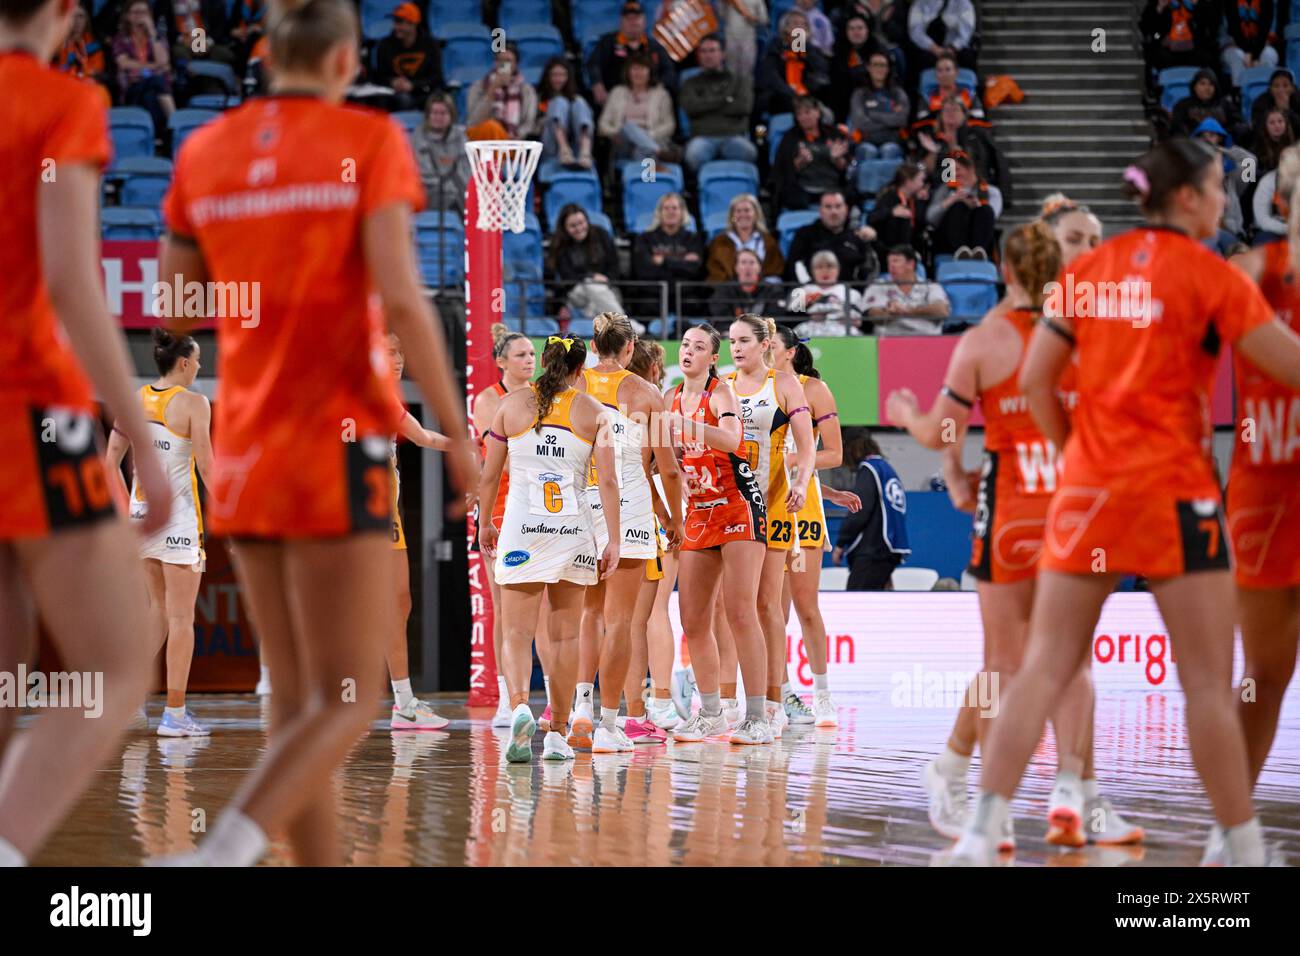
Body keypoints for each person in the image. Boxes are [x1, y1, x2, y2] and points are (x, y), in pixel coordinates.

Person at [156, 0, 476, 866]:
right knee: (345, 700)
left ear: (262, 52)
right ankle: (224, 850)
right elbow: (407, 299)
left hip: (249, 443)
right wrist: (461, 431)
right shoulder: (367, 142)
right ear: (344, 61)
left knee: (293, 694)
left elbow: (176, 304)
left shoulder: (205, 150)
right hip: (333, 449)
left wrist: (258, 287)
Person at [949, 138, 1300, 866]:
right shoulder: (1213, 275)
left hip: (1086, 496)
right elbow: (1288, 367)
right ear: (1190, 198)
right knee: (1205, 681)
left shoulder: (1088, 272)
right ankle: (1241, 850)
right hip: (1177, 495)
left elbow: (1039, 381)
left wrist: (1078, 453)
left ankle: (980, 836)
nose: (1226, 203)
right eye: (1217, 188)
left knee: (1042, 667)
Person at [886, 220, 1140, 853]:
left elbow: (939, 432)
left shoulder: (984, 340)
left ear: (1003, 271)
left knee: (1007, 660)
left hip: (1010, 510)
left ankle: (1023, 790)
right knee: (1067, 659)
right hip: (1072, 506)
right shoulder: (1086, 335)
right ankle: (1058, 787)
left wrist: (909, 418)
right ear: (1063, 262)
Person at [0, 0, 172, 868]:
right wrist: (139, 435)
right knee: (113, 664)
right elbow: (71, 279)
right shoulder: (59, 100)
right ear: (66, 13)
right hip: (29, 402)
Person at [479, 335, 620, 763]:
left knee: (517, 632)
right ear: (582, 369)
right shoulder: (594, 412)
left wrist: (485, 522)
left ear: (543, 361)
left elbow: (489, 476)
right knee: (564, 636)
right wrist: (612, 538)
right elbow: (609, 483)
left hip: (522, 529)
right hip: (571, 532)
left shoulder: (510, 405)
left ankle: (519, 704)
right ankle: (558, 730)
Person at [1226, 143, 1300, 848]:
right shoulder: (1251, 276)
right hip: (1268, 498)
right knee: (1266, 678)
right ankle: (1234, 825)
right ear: (1283, 203)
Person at [571, 314, 684, 749]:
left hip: (583, 504)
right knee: (621, 620)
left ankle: (580, 708)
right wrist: (673, 518)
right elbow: (669, 468)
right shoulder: (647, 393)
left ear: (595, 346)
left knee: (589, 614)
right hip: (630, 507)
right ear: (630, 348)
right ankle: (610, 724)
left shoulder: (574, 387)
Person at [667, 324, 772, 745]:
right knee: (692, 619)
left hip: (738, 506)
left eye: (699, 347)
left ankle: (758, 716)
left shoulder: (721, 393)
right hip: (698, 512)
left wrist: (686, 428)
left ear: (713, 358)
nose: (688, 352)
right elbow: (666, 458)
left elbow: (731, 440)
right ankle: (710, 713)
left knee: (741, 612)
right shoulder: (670, 397)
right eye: (685, 345)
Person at [104, 328, 212, 737]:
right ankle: (176, 714)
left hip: (141, 519)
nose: (200, 366)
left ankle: (131, 703)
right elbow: (207, 467)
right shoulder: (195, 404)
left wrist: (127, 511)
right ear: (183, 363)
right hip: (181, 521)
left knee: (158, 612)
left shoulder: (134, 400)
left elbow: (108, 462)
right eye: (198, 359)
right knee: (182, 618)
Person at [726, 314, 816, 739]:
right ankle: (732, 703)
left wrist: (801, 482)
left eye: (744, 341)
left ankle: (773, 703)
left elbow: (807, 443)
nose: (737, 348)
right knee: (733, 609)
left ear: (765, 344)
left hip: (773, 505)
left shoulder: (783, 383)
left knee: (767, 605)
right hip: (729, 509)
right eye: (731, 341)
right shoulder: (722, 385)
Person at [770, 327, 861, 728]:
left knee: (806, 606)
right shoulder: (749, 388)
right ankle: (782, 694)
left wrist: (792, 467)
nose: (757, 349)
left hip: (801, 507)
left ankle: (822, 695)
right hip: (765, 504)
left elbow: (833, 453)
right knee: (771, 610)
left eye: (768, 344)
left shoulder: (814, 389)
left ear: (789, 352)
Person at [382, 332, 456, 732]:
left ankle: (404, 703)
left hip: (387, 514)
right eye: (389, 351)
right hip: (359, 513)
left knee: (400, 602)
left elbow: (423, 437)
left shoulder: (388, 397)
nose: (398, 359)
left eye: (401, 351)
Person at [471, 326, 540, 731]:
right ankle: (503, 697)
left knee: (547, 610)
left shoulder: (541, 397)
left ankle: (548, 696)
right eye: (520, 355)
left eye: (532, 354)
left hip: (542, 510)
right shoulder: (488, 400)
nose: (529, 361)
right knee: (504, 607)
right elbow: (498, 457)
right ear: (501, 362)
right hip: (501, 509)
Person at [624, 339, 685, 730]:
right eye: (659, 370)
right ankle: (660, 699)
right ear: (652, 372)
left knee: (624, 618)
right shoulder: (654, 403)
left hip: (616, 511)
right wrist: (671, 516)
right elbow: (663, 470)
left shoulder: (609, 402)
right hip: (654, 506)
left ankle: (624, 707)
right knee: (656, 612)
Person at [833, 432, 909, 589]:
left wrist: (841, 543)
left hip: (873, 550)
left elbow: (859, 509)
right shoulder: (887, 469)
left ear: (852, 449)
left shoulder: (869, 469)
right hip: (891, 547)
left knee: (856, 603)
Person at [680, 34, 757, 175]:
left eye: (712, 50)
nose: (708, 55)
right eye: (703, 51)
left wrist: (705, 104)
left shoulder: (740, 80)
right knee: (693, 155)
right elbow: (691, 108)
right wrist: (726, 99)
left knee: (748, 152)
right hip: (702, 137)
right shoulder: (690, 83)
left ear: (723, 54)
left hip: (733, 136)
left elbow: (743, 107)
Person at [772, 94, 853, 213]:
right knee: (792, 198)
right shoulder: (790, 138)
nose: (803, 117)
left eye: (807, 112)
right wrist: (800, 162)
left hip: (832, 187)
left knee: (850, 196)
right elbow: (784, 169)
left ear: (818, 113)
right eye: (799, 114)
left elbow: (845, 168)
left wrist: (836, 159)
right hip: (803, 188)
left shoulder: (834, 134)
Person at [586, 1, 675, 107]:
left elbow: (669, 71)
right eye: (628, 18)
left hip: (648, 101)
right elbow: (593, 64)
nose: (633, 22)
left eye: (637, 18)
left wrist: (657, 89)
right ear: (621, 22)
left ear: (644, 21)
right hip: (614, 100)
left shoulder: (654, 46)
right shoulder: (608, 42)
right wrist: (597, 84)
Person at [631, 191, 705, 318]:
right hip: (653, 296)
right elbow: (644, 271)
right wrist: (682, 263)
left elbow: (696, 270)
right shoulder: (645, 238)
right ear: (659, 213)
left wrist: (664, 262)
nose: (671, 212)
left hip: (686, 297)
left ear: (682, 213)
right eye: (666, 208)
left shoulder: (693, 238)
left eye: (675, 208)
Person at [547, 204, 624, 323]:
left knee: (596, 302)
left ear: (587, 221)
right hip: (576, 293)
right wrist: (591, 277)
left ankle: (604, 323)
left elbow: (614, 264)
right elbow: (567, 278)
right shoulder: (560, 245)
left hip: (605, 289)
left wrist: (607, 280)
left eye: (582, 223)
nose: (579, 228)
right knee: (592, 285)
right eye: (573, 226)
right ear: (564, 228)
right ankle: (626, 327)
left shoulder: (601, 234)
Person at [596, 52, 675, 163]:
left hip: (651, 136)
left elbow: (669, 125)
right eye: (634, 69)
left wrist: (647, 135)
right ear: (628, 72)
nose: (638, 73)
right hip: (623, 141)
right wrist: (614, 132)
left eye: (642, 69)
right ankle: (658, 152)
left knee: (642, 150)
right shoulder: (617, 92)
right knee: (629, 125)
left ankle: (648, 179)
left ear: (650, 72)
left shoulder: (661, 94)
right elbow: (602, 124)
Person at [785, 189, 878, 283]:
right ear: (820, 211)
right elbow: (794, 266)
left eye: (838, 207)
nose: (834, 212)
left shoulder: (858, 237)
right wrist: (808, 289)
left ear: (846, 209)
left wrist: (874, 240)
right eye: (828, 207)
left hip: (850, 294)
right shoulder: (804, 235)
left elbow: (870, 271)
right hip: (812, 292)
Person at [113, 0, 175, 137]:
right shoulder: (121, 39)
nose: (140, 16)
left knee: (151, 95)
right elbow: (124, 63)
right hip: (132, 86)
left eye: (144, 13)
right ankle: (173, 121)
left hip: (154, 89)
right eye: (135, 12)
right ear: (128, 16)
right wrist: (154, 66)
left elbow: (164, 61)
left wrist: (152, 33)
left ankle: (152, 137)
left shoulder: (158, 37)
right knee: (157, 81)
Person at [860, 244, 950, 335]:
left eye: (896, 261)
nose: (891, 266)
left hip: (927, 340)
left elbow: (941, 311)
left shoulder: (931, 286)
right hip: (890, 341)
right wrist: (891, 313)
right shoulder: (878, 286)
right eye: (889, 262)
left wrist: (906, 311)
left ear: (910, 264)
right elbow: (874, 316)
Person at [926, 150, 1000, 258]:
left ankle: (978, 252)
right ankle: (960, 251)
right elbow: (930, 217)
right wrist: (952, 199)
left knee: (985, 209)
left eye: (957, 169)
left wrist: (975, 205)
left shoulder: (991, 192)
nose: (954, 174)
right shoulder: (945, 190)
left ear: (970, 169)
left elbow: (993, 216)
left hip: (978, 236)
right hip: (948, 240)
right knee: (958, 206)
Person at [757, 9, 831, 117]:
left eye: (804, 24)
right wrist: (792, 94)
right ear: (786, 28)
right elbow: (770, 76)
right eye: (796, 23)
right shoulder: (775, 47)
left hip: (807, 98)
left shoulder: (811, 50)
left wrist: (804, 46)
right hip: (780, 98)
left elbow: (821, 72)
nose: (800, 27)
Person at [372, 2, 442, 113]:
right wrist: (392, 82)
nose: (396, 27)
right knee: (401, 99)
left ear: (413, 24)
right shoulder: (384, 45)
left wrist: (413, 85)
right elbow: (379, 76)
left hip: (423, 91)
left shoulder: (430, 44)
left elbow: (437, 77)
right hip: (395, 94)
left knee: (438, 100)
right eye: (395, 22)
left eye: (400, 22)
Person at [410, 91, 469, 215]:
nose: (438, 117)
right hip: (429, 191)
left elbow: (466, 170)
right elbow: (424, 173)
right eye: (435, 113)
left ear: (451, 115)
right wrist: (449, 185)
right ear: (428, 115)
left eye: (443, 113)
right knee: (450, 196)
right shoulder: (419, 137)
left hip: (458, 190)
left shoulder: (460, 136)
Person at [466, 42, 538, 141]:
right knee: (491, 126)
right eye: (499, 60)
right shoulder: (478, 87)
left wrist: (513, 138)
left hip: (513, 142)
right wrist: (492, 90)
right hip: (483, 140)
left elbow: (528, 123)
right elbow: (473, 121)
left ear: (516, 64)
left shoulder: (527, 91)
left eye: (508, 61)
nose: (503, 64)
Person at [705, 192, 784, 281]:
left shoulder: (769, 241)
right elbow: (715, 272)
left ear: (756, 215)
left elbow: (775, 270)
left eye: (747, 210)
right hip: (729, 290)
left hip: (762, 289)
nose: (743, 215)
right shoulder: (719, 242)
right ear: (732, 216)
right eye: (738, 211)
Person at [848, 49, 908, 164]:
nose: (879, 69)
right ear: (868, 67)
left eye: (883, 65)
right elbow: (860, 122)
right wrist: (889, 121)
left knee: (889, 150)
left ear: (888, 69)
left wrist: (872, 115)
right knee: (868, 151)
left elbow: (901, 119)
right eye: (875, 65)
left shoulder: (898, 94)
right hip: (865, 141)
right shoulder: (859, 94)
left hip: (892, 141)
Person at [536, 57, 594, 175]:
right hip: (551, 145)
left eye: (562, 75)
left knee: (579, 102)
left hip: (575, 144)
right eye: (555, 75)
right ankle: (564, 150)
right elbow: (533, 125)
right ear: (548, 77)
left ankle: (585, 150)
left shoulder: (575, 99)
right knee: (559, 101)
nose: (558, 79)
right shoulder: (539, 97)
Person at [789, 250, 866, 336]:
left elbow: (862, 323)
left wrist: (851, 320)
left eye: (830, 266)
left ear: (838, 269)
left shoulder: (850, 293)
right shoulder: (802, 292)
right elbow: (790, 321)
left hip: (843, 335)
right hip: (811, 335)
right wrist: (809, 316)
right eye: (819, 267)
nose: (825, 271)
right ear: (812, 271)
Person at [830, 13, 886, 121]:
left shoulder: (878, 49)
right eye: (851, 29)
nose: (856, 32)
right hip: (846, 102)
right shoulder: (839, 50)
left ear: (867, 30)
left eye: (860, 28)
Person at [867, 161, 928, 254]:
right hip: (888, 251)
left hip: (910, 249)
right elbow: (871, 218)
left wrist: (921, 202)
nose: (922, 184)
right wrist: (891, 212)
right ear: (909, 182)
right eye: (920, 180)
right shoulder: (889, 197)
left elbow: (921, 225)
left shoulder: (915, 199)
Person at [1169, 67, 1244, 140]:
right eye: (1202, 84)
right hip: (1193, 145)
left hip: (1221, 144)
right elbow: (1178, 127)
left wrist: (1221, 135)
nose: (1207, 88)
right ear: (1194, 87)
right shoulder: (1183, 105)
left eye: (1211, 84)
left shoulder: (1225, 104)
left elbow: (1237, 123)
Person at [709, 247, 785, 320]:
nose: (747, 267)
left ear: (759, 268)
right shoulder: (723, 290)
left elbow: (775, 318)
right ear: (736, 268)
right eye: (743, 262)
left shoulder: (773, 290)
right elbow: (721, 318)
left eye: (752, 262)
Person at [908, 0, 978, 72]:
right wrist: (936, 50)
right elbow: (915, 32)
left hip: (956, 48)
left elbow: (966, 32)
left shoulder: (963, 3)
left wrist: (952, 48)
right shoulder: (920, 3)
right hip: (929, 48)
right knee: (921, 59)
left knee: (966, 57)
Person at [1221, 0, 1278, 88]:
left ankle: (1265, 92)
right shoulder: (1229, 2)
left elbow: (1265, 30)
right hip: (1235, 45)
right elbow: (1234, 29)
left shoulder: (1267, 2)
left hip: (1261, 46)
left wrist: (1255, 55)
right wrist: (1247, 51)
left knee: (1267, 55)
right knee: (1238, 56)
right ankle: (1239, 93)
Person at [721, 0, 765, 79]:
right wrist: (722, 4)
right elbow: (722, 15)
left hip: (748, 38)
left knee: (746, 72)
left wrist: (754, 18)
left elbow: (764, 19)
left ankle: (745, 90)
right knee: (730, 70)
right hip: (731, 37)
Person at [1249, 67, 1300, 135]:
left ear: (1292, 88)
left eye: (1285, 86)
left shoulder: (1298, 99)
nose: (1280, 90)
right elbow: (1258, 129)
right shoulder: (1260, 102)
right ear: (1270, 89)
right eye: (1276, 86)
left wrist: (1287, 111)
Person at [1251, 105, 1294, 174]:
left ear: (1286, 124)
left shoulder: (1294, 147)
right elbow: (1249, 177)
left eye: (1280, 121)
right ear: (1265, 126)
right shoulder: (1256, 149)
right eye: (1272, 122)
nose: (1277, 125)